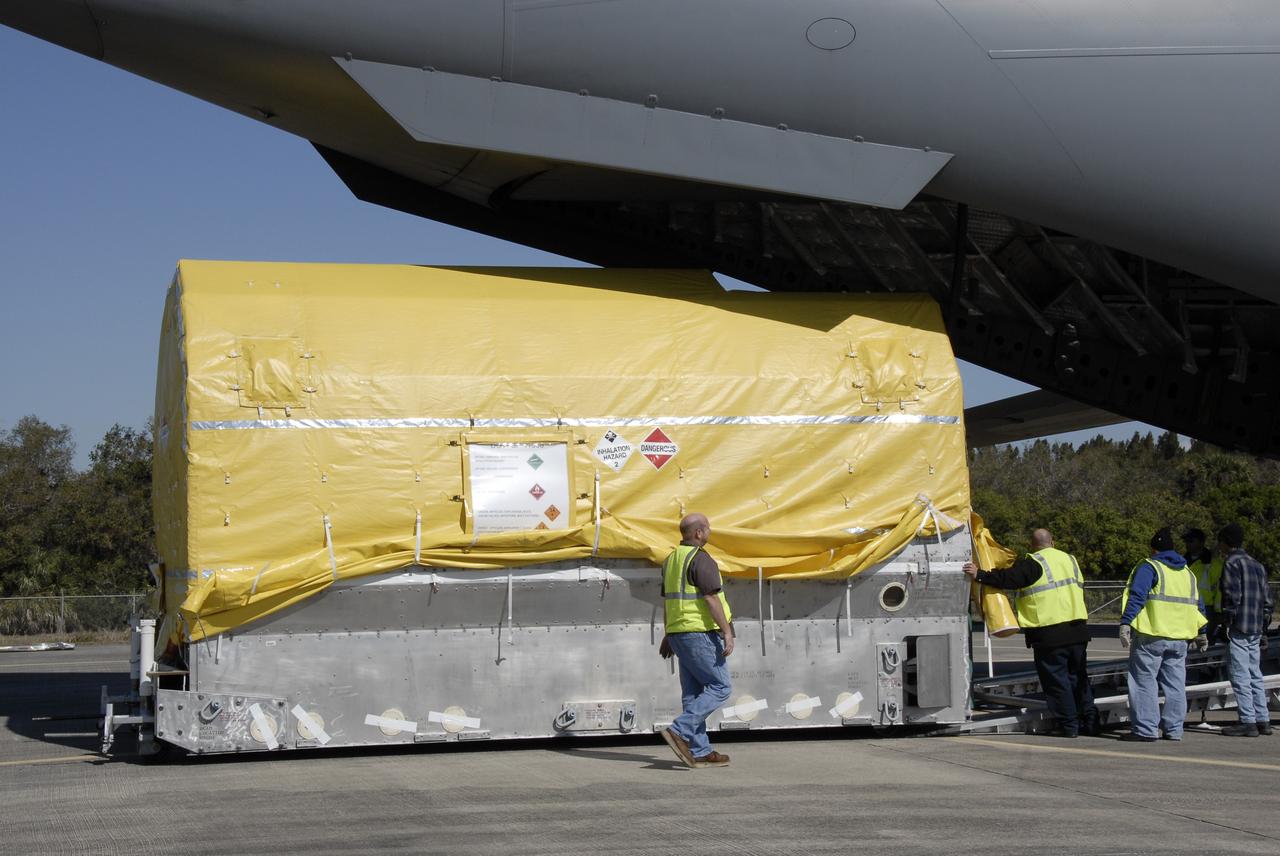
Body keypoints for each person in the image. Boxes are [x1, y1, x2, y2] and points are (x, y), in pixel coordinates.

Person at [963, 528, 1099, 737]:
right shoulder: (1070, 560)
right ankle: (1090, 721)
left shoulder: (1034, 563)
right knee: (1079, 679)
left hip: (1049, 634)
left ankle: (1069, 725)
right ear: (1053, 542)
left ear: (1032, 545)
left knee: (1057, 683)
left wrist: (979, 574)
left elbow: (1009, 579)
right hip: (1078, 631)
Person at [657, 512, 735, 768]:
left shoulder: (671, 560)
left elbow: (669, 600)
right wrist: (727, 631)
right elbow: (711, 599)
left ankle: (700, 750)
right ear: (699, 533)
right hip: (700, 633)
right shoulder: (700, 559)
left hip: (680, 633)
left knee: (692, 693)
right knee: (720, 687)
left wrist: (670, 632)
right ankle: (680, 730)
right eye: (708, 528)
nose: (710, 532)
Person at [1118, 527, 1207, 742]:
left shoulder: (1150, 567)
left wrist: (1126, 622)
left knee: (1144, 682)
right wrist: (1202, 632)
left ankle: (1146, 730)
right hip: (1180, 639)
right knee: (1176, 685)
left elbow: (1138, 596)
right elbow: (1199, 604)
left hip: (1152, 635)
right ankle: (1174, 730)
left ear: (1154, 549)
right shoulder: (1187, 573)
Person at [1216, 523, 1274, 737]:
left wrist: (1227, 621)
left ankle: (1247, 720)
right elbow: (1268, 601)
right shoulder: (1257, 565)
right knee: (1255, 674)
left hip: (1239, 625)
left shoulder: (1231, 562)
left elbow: (1232, 595)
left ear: (1225, 542)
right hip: (1256, 626)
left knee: (1239, 675)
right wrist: (1264, 626)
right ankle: (1263, 719)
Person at [1183, 528, 1224, 638]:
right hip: (1185, 606)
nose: (1187, 544)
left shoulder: (1213, 563)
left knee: (1205, 642)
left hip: (1207, 609)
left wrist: (1218, 612)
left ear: (1201, 542)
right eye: (1186, 541)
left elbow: (1219, 591)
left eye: (1191, 541)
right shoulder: (1181, 563)